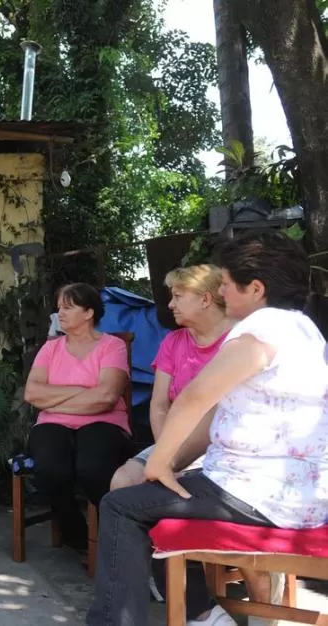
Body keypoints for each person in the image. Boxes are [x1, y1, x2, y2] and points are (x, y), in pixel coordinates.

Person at [87, 231, 328, 626]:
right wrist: (169, 463)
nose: (222, 293)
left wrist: (158, 462)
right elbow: (217, 414)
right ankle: (202, 611)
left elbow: (194, 398)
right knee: (147, 492)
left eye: (228, 285)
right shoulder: (305, 329)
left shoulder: (262, 328)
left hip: (257, 493)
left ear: (255, 288)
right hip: (298, 494)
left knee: (120, 506)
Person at [22, 282, 132, 551]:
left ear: (89, 312)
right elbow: (32, 394)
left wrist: (55, 400)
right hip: (52, 425)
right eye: (59, 307)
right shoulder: (51, 348)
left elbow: (106, 397)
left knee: (93, 468)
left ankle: (117, 533)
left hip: (104, 422)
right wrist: (83, 391)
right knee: (48, 468)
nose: (60, 313)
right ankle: (77, 535)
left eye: (68, 307)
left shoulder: (112, 346)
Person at [110, 265, 233, 491]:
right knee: (123, 481)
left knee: (180, 489)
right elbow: (159, 404)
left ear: (205, 299)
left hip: (224, 443)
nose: (170, 305)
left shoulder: (239, 339)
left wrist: (174, 457)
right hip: (173, 440)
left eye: (177, 297)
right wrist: (165, 451)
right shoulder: (173, 341)